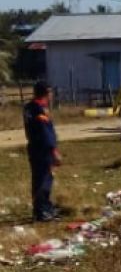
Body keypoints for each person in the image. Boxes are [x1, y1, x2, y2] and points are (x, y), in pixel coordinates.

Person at [23, 81, 61, 222]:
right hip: (43, 149)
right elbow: (46, 133)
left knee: (38, 179)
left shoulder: (28, 107)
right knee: (44, 180)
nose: (51, 95)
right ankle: (42, 211)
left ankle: (43, 207)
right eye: (50, 92)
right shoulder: (40, 109)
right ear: (47, 93)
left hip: (33, 147)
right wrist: (54, 151)